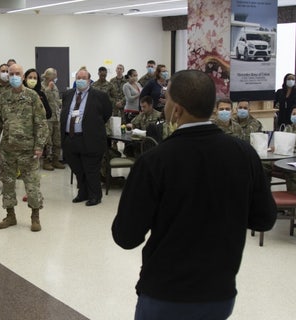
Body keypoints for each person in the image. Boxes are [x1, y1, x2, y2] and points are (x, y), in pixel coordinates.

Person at [112, 70, 276, 320]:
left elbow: (126, 236)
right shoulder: (244, 154)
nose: (164, 106)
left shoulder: (154, 161)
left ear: (176, 110)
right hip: (219, 294)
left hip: (165, 294)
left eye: (166, 101)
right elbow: (264, 219)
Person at [0, 64, 49, 232]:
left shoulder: (32, 97)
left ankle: (35, 217)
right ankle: (10, 216)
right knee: (8, 184)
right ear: (7, 76)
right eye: (11, 74)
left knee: (32, 186)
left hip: (28, 151)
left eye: (17, 74)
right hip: (7, 150)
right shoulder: (3, 97)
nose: (14, 76)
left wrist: (39, 146)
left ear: (23, 76)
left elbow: (41, 123)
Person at [61, 69, 112, 207]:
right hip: (70, 138)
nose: (81, 80)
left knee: (91, 169)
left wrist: (93, 125)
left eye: (84, 78)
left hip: (90, 138)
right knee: (78, 169)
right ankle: (82, 193)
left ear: (89, 80)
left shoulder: (100, 96)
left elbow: (107, 112)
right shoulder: (68, 94)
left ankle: (95, 195)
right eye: (78, 77)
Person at [23, 68, 53, 170]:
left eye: (35, 78)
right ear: (25, 79)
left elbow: (49, 113)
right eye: (30, 77)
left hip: (36, 131)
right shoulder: (20, 93)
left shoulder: (41, 94)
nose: (32, 80)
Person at [41, 67, 65, 171]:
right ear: (48, 76)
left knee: (57, 140)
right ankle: (47, 161)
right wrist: (48, 89)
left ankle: (56, 160)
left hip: (56, 117)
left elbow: (56, 100)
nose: (56, 78)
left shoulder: (54, 86)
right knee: (48, 141)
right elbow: (42, 99)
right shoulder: (42, 86)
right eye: (54, 76)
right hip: (48, 118)